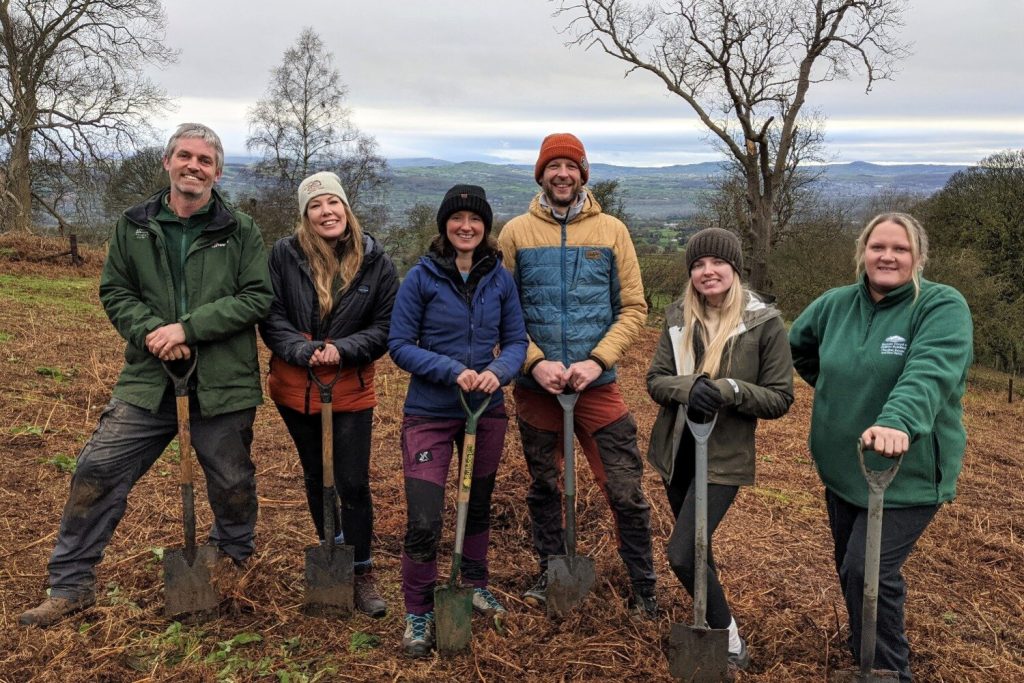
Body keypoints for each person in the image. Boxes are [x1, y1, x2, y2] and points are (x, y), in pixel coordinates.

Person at [18, 123, 274, 627]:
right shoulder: (133, 225)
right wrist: (153, 331)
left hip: (222, 381)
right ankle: (71, 584)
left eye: (204, 160)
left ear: (217, 171)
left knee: (231, 482)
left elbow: (256, 297)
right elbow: (116, 291)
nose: (193, 166)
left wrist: (189, 329)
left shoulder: (240, 230)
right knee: (97, 470)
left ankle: (231, 565)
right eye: (185, 156)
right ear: (167, 162)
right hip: (149, 378)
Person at [789, 213, 973, 682]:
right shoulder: (835, 305)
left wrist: (896, 422)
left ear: (918, 257)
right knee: (851, 571)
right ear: (862, 253)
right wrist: (835, 393)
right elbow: (799, 348)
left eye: (901, 249)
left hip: (905, 475)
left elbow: (929, 372)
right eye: (878, 247)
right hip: (843, 470)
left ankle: (891, 670)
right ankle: (863, 656)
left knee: (869, 571)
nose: (888, 256)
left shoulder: (939, 306)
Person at [498, 133, 658, 617]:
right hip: (537, 388)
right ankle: (552, 572)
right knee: (546, 486)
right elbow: (501, 315)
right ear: (541, 174)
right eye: (553, 166)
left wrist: (597, 360)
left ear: (583, 174)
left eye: (571, 165)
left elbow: (633, 308)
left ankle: (643, 588)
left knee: (625, 488)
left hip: (597, 387)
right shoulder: (516, 234)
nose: (562, 174)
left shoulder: (612, 231)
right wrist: (534, 361)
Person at [388, 185, 527, 657]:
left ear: (485, 227)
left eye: (475, 219)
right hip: (430, 411)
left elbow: (516, 342)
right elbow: (400, 345)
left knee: (479, 502)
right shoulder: (421, 278)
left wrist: (497, 372)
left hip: (484, 411)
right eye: (457, 218)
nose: (465, 226)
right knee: (424, 518)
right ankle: (418, 612)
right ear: (444, 225)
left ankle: (474, 582)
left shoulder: (500, 278)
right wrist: (452, 370)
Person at [646, 228, 793, 672]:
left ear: (734, 268)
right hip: (679, 452)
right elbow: (655, 381)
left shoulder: (763, 322)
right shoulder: (677, 316)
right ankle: (720, 627)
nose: (707, 272)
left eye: (716, 263)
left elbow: (780, 396)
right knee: (697, 550)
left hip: (723, 458)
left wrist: (730, 389)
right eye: (697, 264)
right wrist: (691, 387)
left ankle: (728, 638)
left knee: (682, 553)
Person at [259, 171, 398, 618]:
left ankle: (361, 571)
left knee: (352, 481)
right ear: (305, 214)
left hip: (351, 386)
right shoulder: (284, 254)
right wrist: (302, 350)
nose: (326, 212)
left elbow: (385, 326)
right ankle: (331, 553)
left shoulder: (376, 261)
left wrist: (342, 349)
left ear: (345, 207)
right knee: (317, 476)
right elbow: (271, 313)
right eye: (315, 206)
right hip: (296, 385)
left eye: (332, 203)